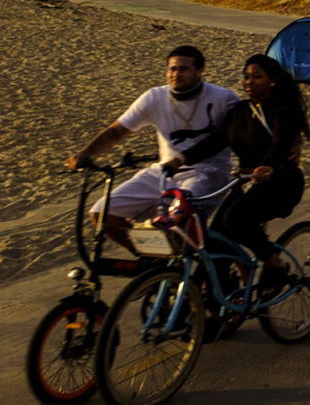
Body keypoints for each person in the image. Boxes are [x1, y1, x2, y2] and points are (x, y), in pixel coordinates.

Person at [67, 45, 236, 255]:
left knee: (178, 218)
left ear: (199, 71)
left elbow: (235, 135)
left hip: (206, 174)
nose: (175, 74)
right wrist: (83, 155)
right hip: (163, 172)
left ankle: (181, 268)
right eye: (171, 69)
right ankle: (153, 262)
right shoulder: (155, 97)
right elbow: (117, 131)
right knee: (102, 213)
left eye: (183, 69)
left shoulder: (222, 98)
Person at [165, 54, 310, 283]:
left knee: (235, 220)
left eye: (257, 77)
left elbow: (281, 144)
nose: (249, 82)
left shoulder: (283, 110)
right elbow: (214, 142)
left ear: (272, 80)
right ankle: (218, 302)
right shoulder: (239, 111)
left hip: (282, 182)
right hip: (246, 183)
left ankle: (274, 262)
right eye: (246, 77)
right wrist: (179, 160)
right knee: (214, 238)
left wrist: (268, 166)